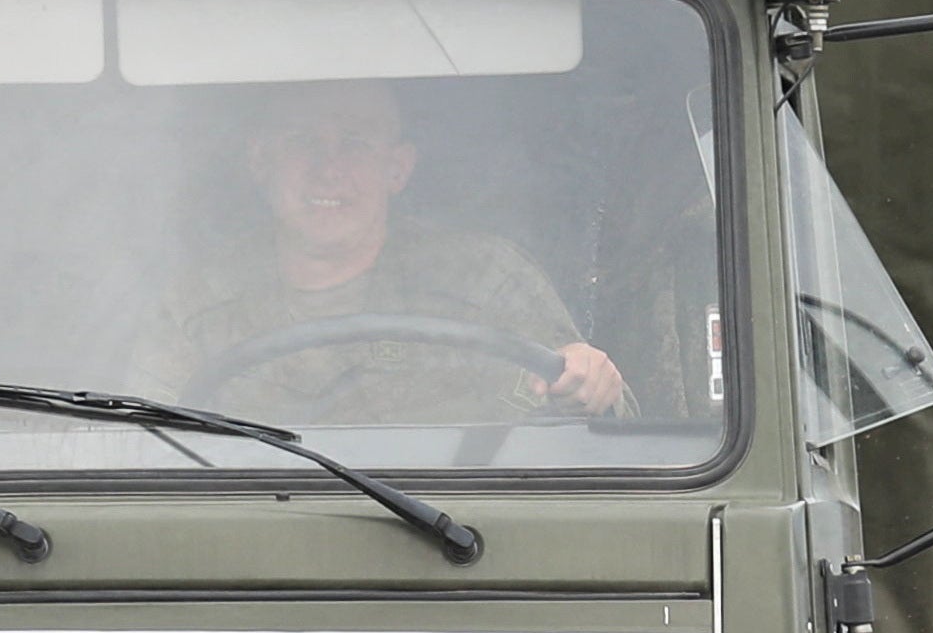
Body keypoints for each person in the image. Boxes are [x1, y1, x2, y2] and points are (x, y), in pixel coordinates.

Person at [149, 80, 630, 429]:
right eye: (302, 141)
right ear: (259, 161)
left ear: (397, 168)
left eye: (355, 142)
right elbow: (137, 442)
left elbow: (596, 426)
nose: (329, 169)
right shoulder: (197, 303)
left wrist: (590, 380)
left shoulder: (485, 281)